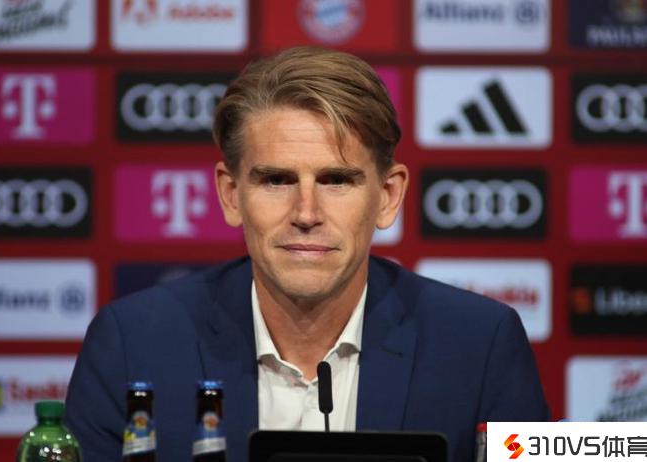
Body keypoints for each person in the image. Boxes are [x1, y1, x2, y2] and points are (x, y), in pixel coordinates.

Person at [65, 47, 549, 462]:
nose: (306, 213)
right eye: (276, 180)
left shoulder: (480, 346)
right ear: (231, 195)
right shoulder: (132, 345)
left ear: (387, 196)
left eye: (336, 180)